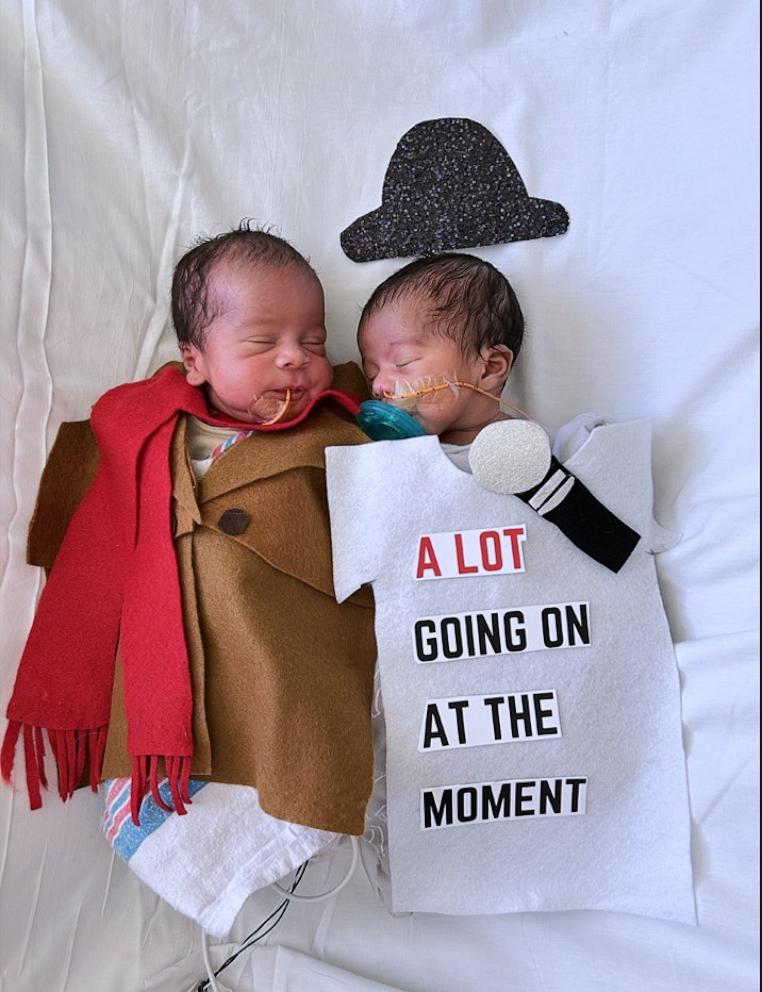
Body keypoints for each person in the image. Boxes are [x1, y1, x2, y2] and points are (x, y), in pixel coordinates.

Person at [324, 252, 693, 922]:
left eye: (402, 361)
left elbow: (617, 544)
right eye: (373, 367)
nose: (380, 383)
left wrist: (540, 464)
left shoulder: (555, 455)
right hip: (443, 710)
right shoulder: (392, 472)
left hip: (552, 678)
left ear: (490, 367)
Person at [3, 223, 376, 848]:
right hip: (171, 668)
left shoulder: (343, 425)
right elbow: (90, 534)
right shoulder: (143, 431)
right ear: (195, 360)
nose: (296, 357)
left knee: (292, 720)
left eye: (314, 340)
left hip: (294, 653)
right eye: (263, 341)